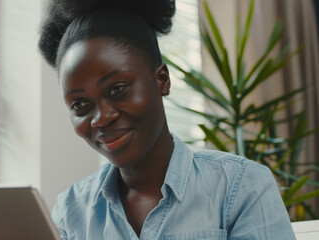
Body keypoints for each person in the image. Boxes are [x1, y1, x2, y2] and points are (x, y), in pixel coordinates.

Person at [38, 0, 296, 239]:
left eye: (117, 89)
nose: (102, 119)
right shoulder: (70, 210)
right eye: (80, 105)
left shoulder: (241, 187)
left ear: (162, 80)